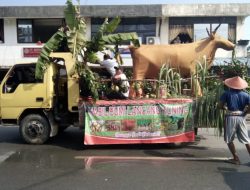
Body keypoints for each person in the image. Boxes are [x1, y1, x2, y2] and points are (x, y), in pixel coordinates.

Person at [218, 76, 250, 165]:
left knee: (229, 139)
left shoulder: (226, 93)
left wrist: (225, 108)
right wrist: (245, 113)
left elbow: (219, 106)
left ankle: (236, 158)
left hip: (230, 116)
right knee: (246, 140)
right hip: (241, 117)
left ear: (230, 85)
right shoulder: (246, 95)